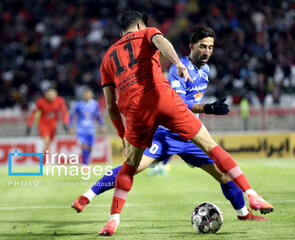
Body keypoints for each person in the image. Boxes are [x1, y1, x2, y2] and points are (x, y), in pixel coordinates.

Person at [98, 11, 273, 236]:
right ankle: (251, 193)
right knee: (210, 147)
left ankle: (110, 215)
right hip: (168, 130)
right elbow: (176, 93)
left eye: (210, 47)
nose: (207, 51)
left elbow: (111, 107)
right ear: (141, 25)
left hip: (150, 118)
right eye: (203, 46)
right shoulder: (156, 43)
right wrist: (183, 70)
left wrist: (122, 133)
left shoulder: (109, 55)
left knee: (132, 165)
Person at [68, 89, 105, 167]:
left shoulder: (95, 104)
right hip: (81, 129)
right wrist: (70, 126)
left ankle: (87, 161)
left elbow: (98, 116)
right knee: (84, 145)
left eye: (88, 94)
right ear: (83, 95)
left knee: (90, 146)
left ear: (92, 95)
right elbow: (72, 115)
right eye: (85, 94)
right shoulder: (78, 104)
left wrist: (102, 125)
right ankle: (85, 163)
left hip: (91, 129)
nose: (87, 95)